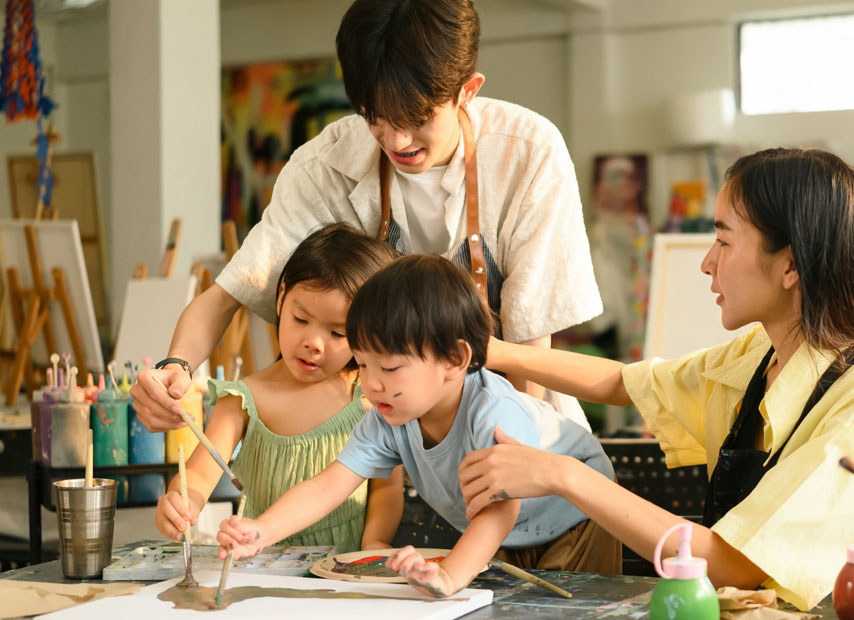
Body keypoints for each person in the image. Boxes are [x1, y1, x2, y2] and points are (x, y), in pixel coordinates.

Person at [457, 148, 854, 610]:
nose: (707, 262)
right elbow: (624, 384)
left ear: (790, 264)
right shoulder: (760, 356)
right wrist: (489, 352)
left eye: (723, 241)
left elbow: (733, 565)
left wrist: (561, 473)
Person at [131, 0, 600, 434]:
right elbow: (227, 295)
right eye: (374, 117)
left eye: (415, 117)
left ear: (467, 91)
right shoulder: (324, 167)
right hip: (378, 445)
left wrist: (512, 453)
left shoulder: (529, 154)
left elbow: (529, 346)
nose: (396, 141)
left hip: (510, 427)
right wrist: (175, 369)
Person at [217, 254, 621, 598]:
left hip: (579, 521)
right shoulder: (389, 414)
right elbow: (328, 486)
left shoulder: (492, 412)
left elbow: (501, 508)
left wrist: (448, 575)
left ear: (453, 359)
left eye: (390, 367)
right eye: (363, 363)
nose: (372, 383)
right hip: (507, 537)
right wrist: (261, 530)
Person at [154, 224, 401, 553]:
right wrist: (180, 502)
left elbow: (386, 488)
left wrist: (374, 543)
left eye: (337, 333)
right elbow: (199, 475)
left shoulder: (370, 398)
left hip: (343, 574)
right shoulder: (243, 400)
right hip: (259, 569)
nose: (313, 342)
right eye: (301, 319)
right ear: (282, 298)